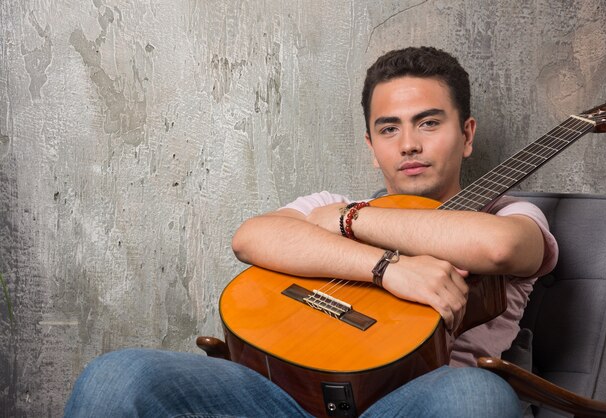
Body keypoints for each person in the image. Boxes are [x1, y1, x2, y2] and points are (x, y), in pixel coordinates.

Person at [64, 46, 558, 417]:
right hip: (282, 398)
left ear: (466, 134)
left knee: (479, 395)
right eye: (389, 129)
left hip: (418, 403)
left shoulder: (508, 214)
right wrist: (386, 268)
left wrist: (350, 222)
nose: (408, 144)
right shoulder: (327, 203)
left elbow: (499, 248)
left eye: (428, 123)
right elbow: (252, 238)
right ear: (371, 144)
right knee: (116, 375)